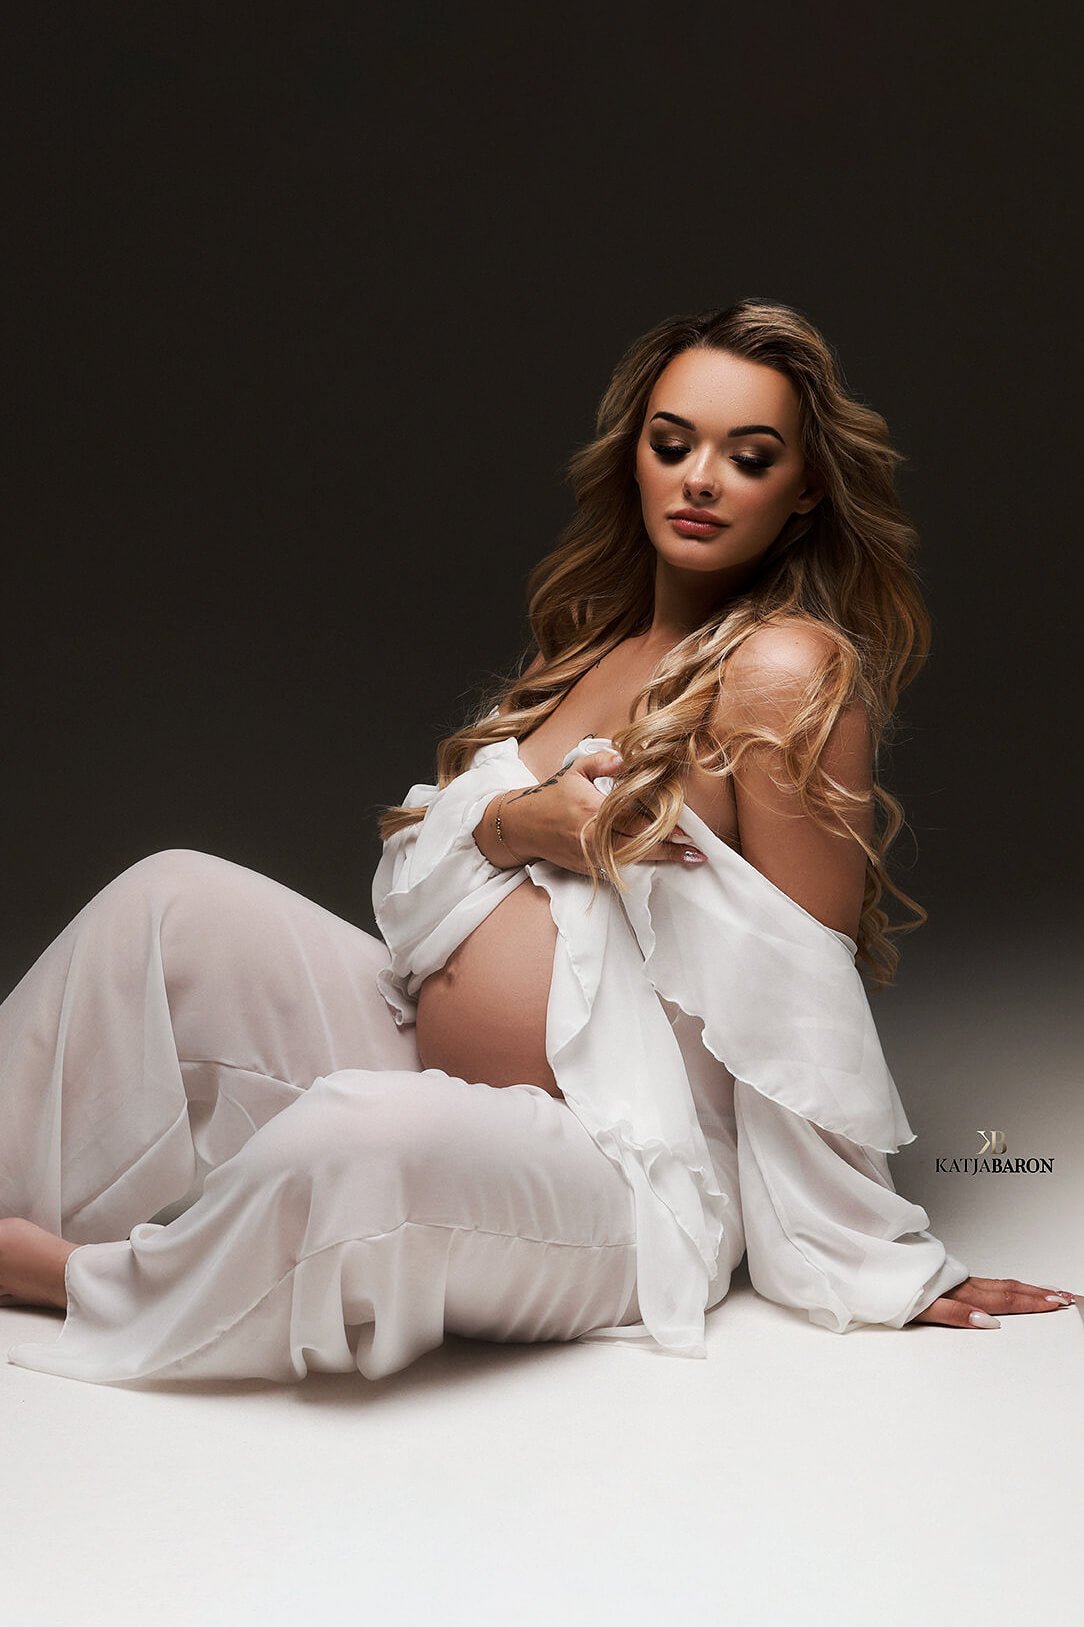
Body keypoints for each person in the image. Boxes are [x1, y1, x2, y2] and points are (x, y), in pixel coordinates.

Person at [1, 298, 1075, 1385]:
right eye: (673, 444)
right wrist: (520, 820)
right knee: (171, 895)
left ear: (801, 493)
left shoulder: (781, 671)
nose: (700, 478)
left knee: (364, 1135)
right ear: (636, 460)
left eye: (747, 457)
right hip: (430, 1056)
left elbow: (801, 995)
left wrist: (876, 1257)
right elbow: (417, 889)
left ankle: (67, 1275)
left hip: (621, 1174)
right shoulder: (589, 648)